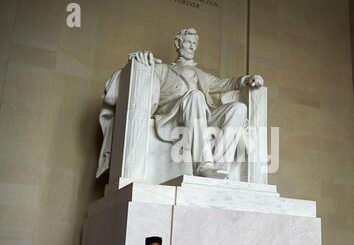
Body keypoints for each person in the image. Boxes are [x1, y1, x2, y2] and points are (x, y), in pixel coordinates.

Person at [96, 28, 264, 179]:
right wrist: (139, 59)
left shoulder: (202, 75)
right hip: (173, 115)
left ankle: (218, 167)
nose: (192, 47)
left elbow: (226, 84)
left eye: (194, 44)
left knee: (239, 108)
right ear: (178, 43)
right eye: (188, 42)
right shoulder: (162, 68)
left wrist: (247, 80)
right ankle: (203, 165)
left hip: (201, 115)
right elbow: (129, 76)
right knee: (195, 96)